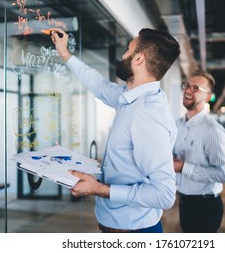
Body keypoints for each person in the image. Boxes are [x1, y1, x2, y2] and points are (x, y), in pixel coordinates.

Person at [50, 27, 180, 233]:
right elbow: (99, 86)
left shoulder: (146, 113)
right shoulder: (130, 98)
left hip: (134, 232)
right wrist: (65, 54)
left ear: (138, 60)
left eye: (128, 50)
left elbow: (164, 195)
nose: (123, 55)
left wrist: (98, 189)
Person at [173, 69, 225, 233]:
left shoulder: (213, 131)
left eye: (195, 88)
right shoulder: (177, 125)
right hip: (184, 202)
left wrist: (183, 167)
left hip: (206, 206)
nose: (188, 90)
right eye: (187, 86)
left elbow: (223, 174)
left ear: (207, 97)